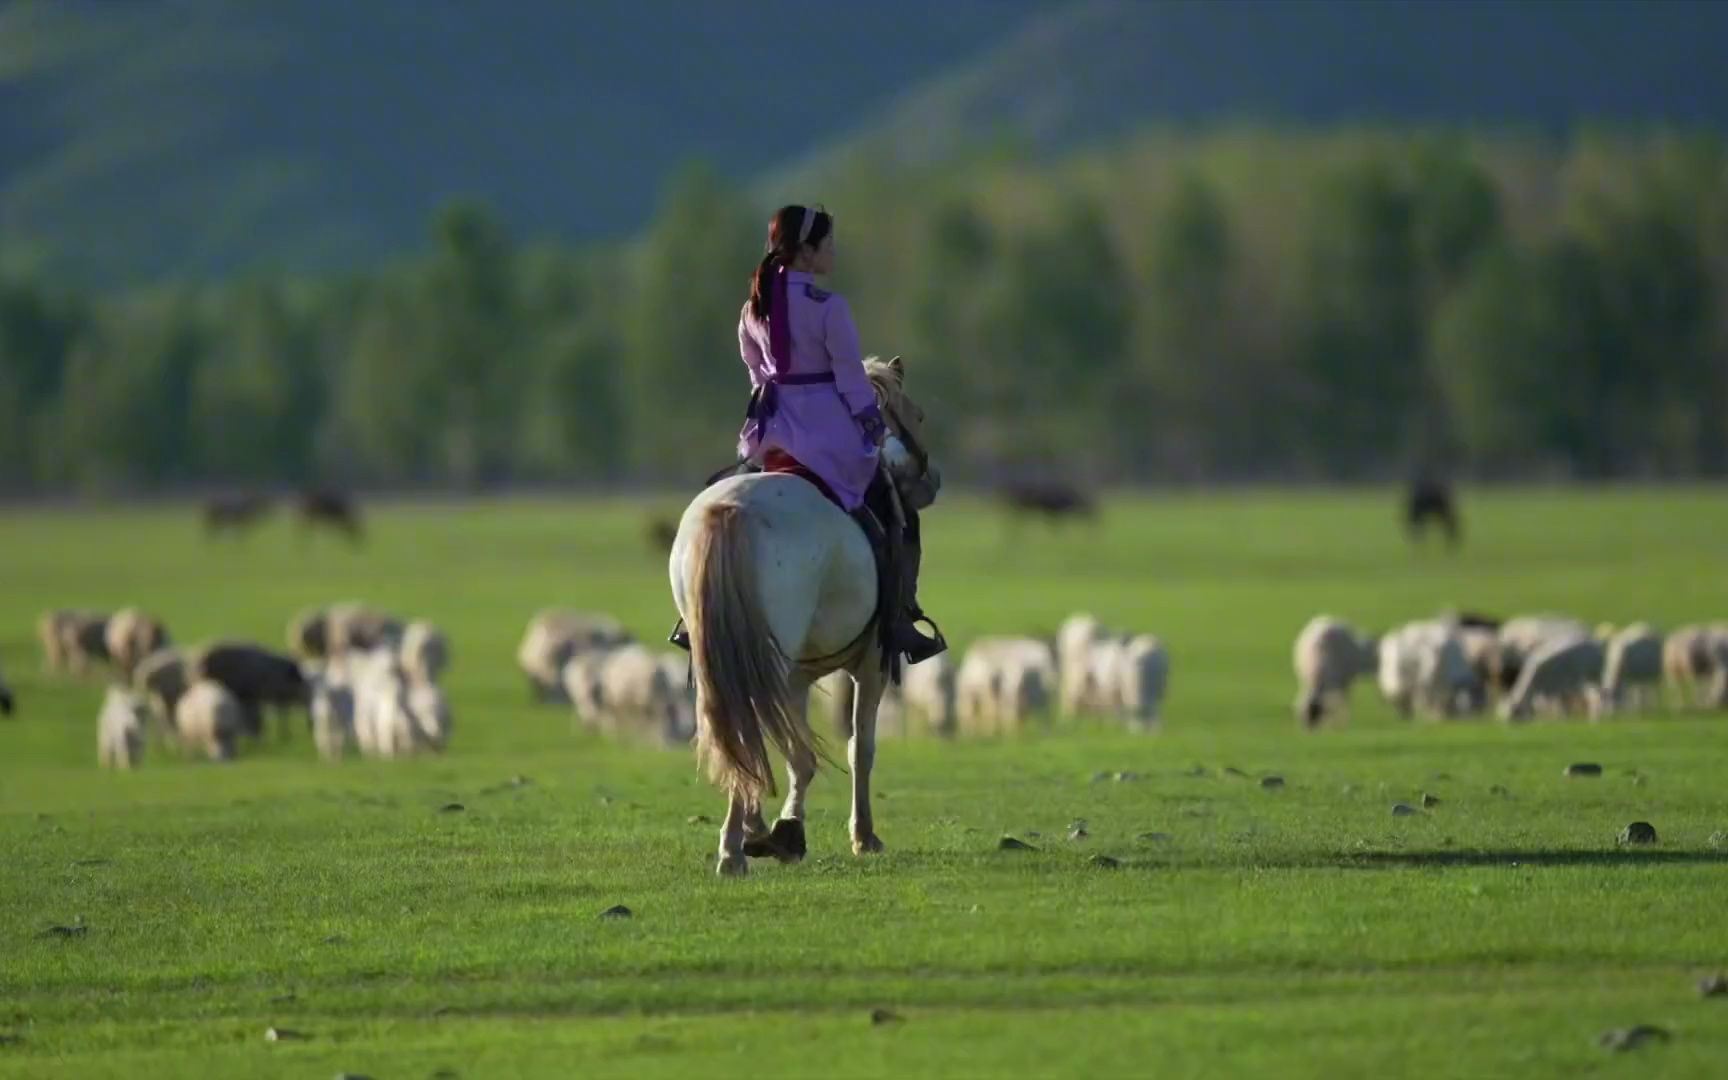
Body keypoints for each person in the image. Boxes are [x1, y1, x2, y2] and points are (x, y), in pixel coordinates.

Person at [672, 203, 944, 665]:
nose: (834, 252)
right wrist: (873, 425)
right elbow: (851, 381)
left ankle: (690, 619)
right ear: (805, 252)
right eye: (828, 244)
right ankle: (901, 618)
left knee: (729, 495)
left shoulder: (752, 309)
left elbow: (757, 374)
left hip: (769, 434)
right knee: (896, 512)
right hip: (827, 438)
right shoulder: (828, 308)